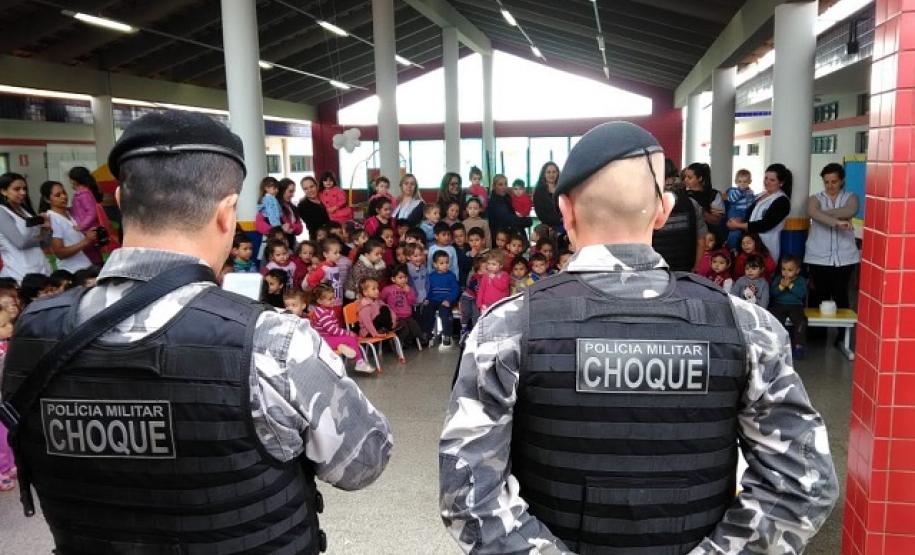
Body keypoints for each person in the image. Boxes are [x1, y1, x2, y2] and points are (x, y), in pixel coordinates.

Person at [0, 110, 392, 553]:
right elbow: (363, 463)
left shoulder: (34, 333)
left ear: (124, 203)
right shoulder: (273, 342)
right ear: (227, 213)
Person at [439, 121, 837, 554]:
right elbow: (802, 486)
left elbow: (468, 495)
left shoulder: (506, 329)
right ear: (663, 211)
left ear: (566, 210)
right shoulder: (748, 327)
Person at [804, 162, 860, 309]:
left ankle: (843, 333)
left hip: (845, 257)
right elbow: (811, 211)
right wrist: (836, 222)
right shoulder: (815, 198)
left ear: (841, 180)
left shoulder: (851, 197)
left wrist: (819, 215)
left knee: (841, 296)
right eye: (826, 182)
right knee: (817, 298)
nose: (830, 185)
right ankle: (817, 333)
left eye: (834, 181)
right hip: (818, 257)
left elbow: (850, 210)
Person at [728, 163, 792, 262]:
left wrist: (738, 225)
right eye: (766, 178)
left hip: (765, 245)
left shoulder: (782, 200)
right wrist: (737, 221)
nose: (767, 182)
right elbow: (749, 215)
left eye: (772, 180)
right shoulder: (760, 195)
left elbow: (765, 225)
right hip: (748, 244)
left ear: (781, 182)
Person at [652, 158, 707, 272]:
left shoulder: (648, 205)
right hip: (684, 270)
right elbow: (701, 242)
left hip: (656, 271)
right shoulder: (692, 203)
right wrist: (694, 269)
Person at [311, 284, 373, 373]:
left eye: (333, 297)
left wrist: (346, 333)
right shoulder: (323, 314)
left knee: (353, 338)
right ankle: (360, 363)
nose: (333, 300)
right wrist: (347, 333)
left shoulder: (326, 310)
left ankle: (342, 347)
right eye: (330, 299)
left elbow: (334, 329)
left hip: (330, 338)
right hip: (324, 340)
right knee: (351, 338)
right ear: (319, 301)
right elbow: (332, 330)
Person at [0, 172, 51, 281]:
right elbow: (20, 243)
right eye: (17, 189)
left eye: (24, 189)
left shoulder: (25, 210)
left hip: (41, 267)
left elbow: (45, 244)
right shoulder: (2, 212)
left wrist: (46, 229)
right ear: (3, 191)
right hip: (19, 272)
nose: (23, 192)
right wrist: (41, 236)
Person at [38, 180, 95, 273]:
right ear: (47, 199)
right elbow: (60, 253)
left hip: (86, 266)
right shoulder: (52, 218)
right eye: (58, 195)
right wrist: (86, 241)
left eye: (64, 193)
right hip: (72, 271)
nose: (63, 197)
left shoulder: (70, 214)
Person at [770, 255, 809, 359]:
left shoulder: (800, 281)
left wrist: (790, 286)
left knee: (801, 321)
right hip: (779, 305)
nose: (786, 272)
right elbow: (773, 293)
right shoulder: (778, 279)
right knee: (775, 321)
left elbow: (802, 294)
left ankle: (798, 346)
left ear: (797, 271)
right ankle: (777, 346)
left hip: (795, 306)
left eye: (790, 270)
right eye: (783, 269)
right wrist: (781, 286)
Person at [423, 251, 460, 347]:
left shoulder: (451, 276)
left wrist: (449, 300)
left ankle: (447, 335)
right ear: (435, 264)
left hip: (446, 301)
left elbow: (455, 290)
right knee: (428, 310)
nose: (445, 265)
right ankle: (427, 334)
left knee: (445, 313)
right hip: (434, 300)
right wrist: (427, 298)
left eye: (447, 262)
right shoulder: (431, 276)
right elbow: (428, 289)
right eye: (442, 263)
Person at [488, 174, 532, 246]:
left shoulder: (507, 197)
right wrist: (528, 221)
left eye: (505, 184)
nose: (504, 187)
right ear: (494, 186)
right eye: (500, 184)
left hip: (511, 237)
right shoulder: (494, 202)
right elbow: (509, 219)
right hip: (502, 240)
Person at [725, 169, 756, 249]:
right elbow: (731, 199)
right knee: (735, 231)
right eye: (740, 181)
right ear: (736, 182)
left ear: (750, 181)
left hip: (745, 213)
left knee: (743, 232)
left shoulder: (750, 192)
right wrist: (740, 191)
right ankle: (731, 247)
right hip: (736, 212)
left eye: (745, 182)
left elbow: (752, 203)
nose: (742, 184)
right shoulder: (733, 190)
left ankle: (739, 246)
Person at [532, 161, 563, 232]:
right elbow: (541, 215)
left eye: (554, 172)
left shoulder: (562, 189)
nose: (551, 175)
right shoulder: (539, 192)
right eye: (548, 172)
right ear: (544, 174)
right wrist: (559, 220)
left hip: (565, 225)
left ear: (558, 173)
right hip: (547, 228)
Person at [297, 175, 330, 240]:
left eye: (311, 186)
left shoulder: (325, 198)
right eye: (305, 189)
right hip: (318, 238)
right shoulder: (302, 205)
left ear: (316, 186)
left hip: (333, 235)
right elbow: (314, 225)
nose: (310, 190)